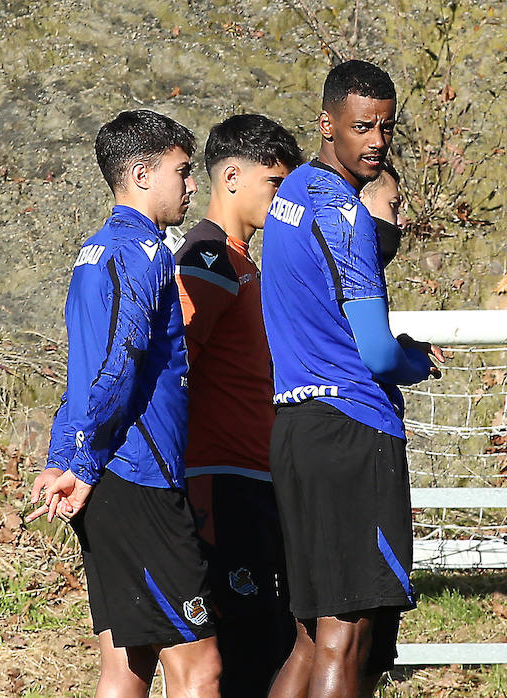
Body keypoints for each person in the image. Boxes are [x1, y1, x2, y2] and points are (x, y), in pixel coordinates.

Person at [260, 60, 441, 698]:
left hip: (295, 429)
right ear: (326, 123)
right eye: (362, 126)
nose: (375, 142)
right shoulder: (345, 215)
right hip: (351, 430)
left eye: (386, 129)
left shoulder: (290, 191)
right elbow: (377, 353)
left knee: (311, 636)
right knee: (347, 636)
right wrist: (417, 360)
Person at [27, 109, 220, 697]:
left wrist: (68, 456)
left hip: (108, 476)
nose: (192, 186)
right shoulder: (142, 251)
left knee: (127, 661)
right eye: (182, 172)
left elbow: (82, 374)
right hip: (139, 478)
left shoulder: (94, 250)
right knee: (199, 664)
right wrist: (80, 462)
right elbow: (118, 365)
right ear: (141, 174)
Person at [170, 113, 304, 697]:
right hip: (220, 477)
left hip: (254, 473)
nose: (281, 198)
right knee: (246, 650)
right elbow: (178, 361)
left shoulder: (246, 261)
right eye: (274, 183)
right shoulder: (209, 257)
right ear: (230, 176)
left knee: (270, 640)